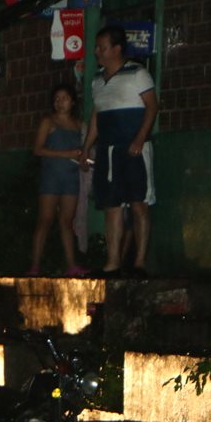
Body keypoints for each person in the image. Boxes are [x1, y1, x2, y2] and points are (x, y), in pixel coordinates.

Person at [79, 25, 158, 277]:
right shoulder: (97, 80)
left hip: (134, 149)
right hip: (107, 151)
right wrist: (86, 147)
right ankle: (112, 263)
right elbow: (96, 116)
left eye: (102, 47)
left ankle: (139, 263)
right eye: (96, 47)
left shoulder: (138, 73)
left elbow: (152, 107)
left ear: (116, 48)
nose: (97, 52)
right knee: (111, 206)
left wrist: (139, 139)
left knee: (138, 203)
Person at [27, 84, 87, 277]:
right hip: (51, 177)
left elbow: (83, 153)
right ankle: (35, 266)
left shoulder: (79, 125)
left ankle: (71, 265)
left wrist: (82, 160)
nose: (60, 103)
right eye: (57, 99)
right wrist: (65, 154)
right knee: (45, 220)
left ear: (73, 101)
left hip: (71, 178)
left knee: (67, 222)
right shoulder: (49, 122)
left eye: (65, 98)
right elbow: (37, 149)